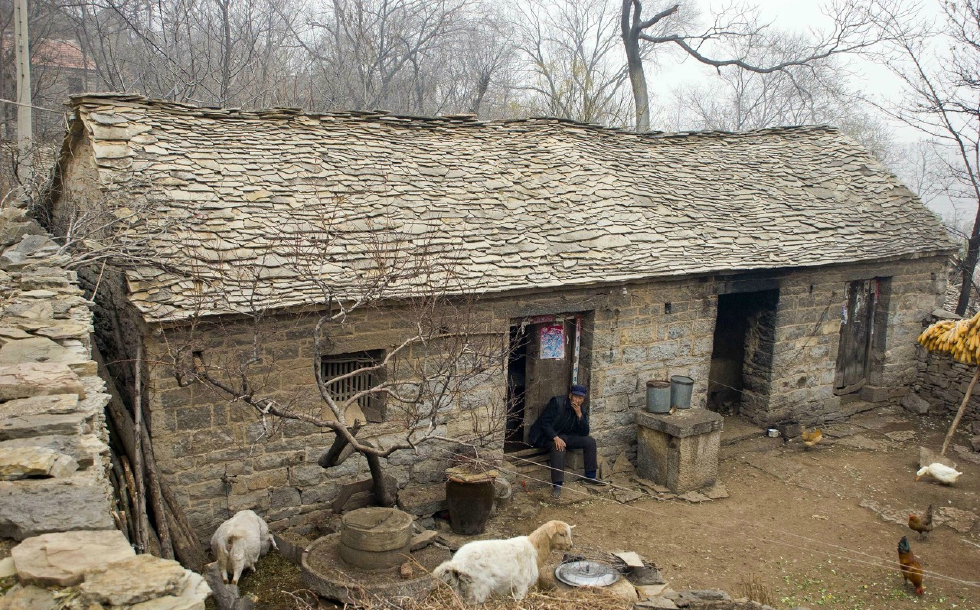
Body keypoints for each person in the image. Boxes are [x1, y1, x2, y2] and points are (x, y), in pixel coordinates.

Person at [528, 384, 607, 498]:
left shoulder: (581, 409)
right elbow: (545, 423)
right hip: (544, 436)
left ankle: (590, 476)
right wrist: (555, 437)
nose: (578, 400)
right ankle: (557, 485)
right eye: (576, 397)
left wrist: (579, 415)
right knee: (559, 448)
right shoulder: (557, 402)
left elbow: (584, 432)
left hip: (564, 436)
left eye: (581, 398)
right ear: (570, 395)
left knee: (590, 441)